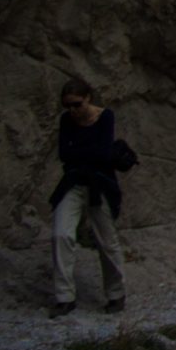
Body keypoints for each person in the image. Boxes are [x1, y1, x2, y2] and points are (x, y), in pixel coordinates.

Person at [49, 78, 125, 317]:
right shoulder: (67, 121)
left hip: (99, 183)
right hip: (73, 182)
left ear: (88, 98)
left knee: (106, 240)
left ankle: (115, 293)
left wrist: (81, 154)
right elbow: (65, 153)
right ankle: (64, 296)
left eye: (77, 104)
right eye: (68, 106)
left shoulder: (105, 117)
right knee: (61, 233)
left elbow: (102, 153)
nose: (73, 110)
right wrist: (87, 155)